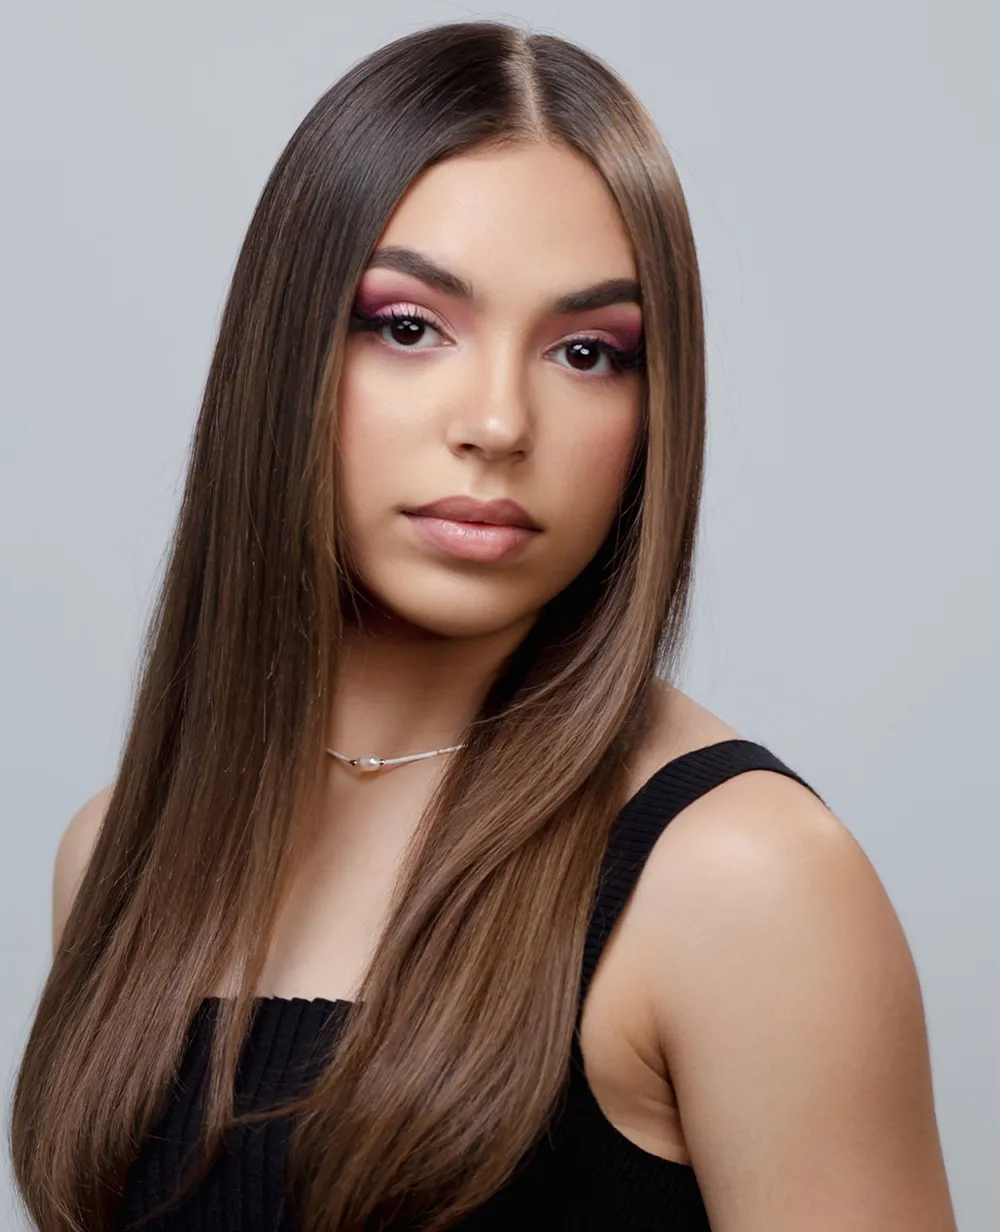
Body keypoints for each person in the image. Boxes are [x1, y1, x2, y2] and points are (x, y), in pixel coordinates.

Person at [9, 18, 957, 1232]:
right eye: (409, 326)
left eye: (586, 351)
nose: (499, 423)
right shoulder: (121, 854)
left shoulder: (741, 879)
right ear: (284, 355)